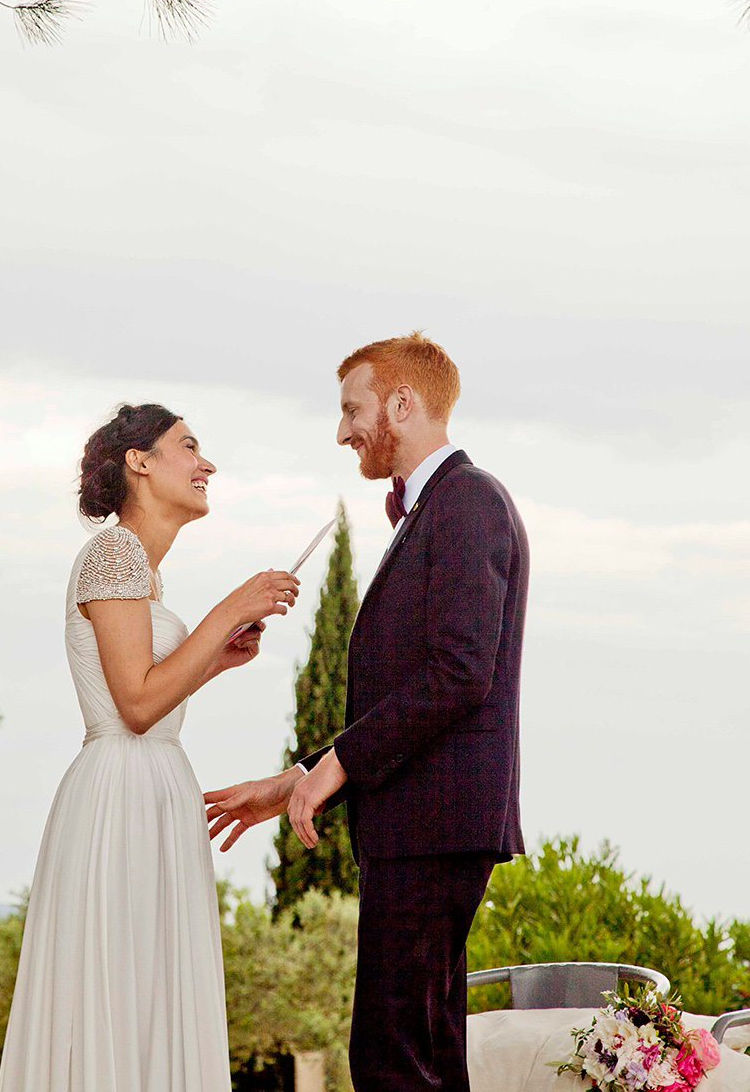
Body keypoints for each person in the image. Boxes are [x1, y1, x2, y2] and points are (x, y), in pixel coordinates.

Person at [205, 335, 529, 1092]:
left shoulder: (469, 501)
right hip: (423, 824)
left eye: (353, 408)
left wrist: (335, 768)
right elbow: (410, 696)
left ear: (403, 404)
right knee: (424, 1055)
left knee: (391, 1059)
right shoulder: (437, 511)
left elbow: (457, 673)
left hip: (432, 826)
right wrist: (296, 779)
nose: (344, 430)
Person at [0, 402, 300, 1092]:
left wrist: (216, 658)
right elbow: (135, 705)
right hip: (121, 794)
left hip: (153, 788)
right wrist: (230, 608)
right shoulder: (114, 552)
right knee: (124, 981)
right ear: (140, 461)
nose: (207, 464)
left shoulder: (141, 571)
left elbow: (151, 690)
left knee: (150, 986)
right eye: (189, 446)